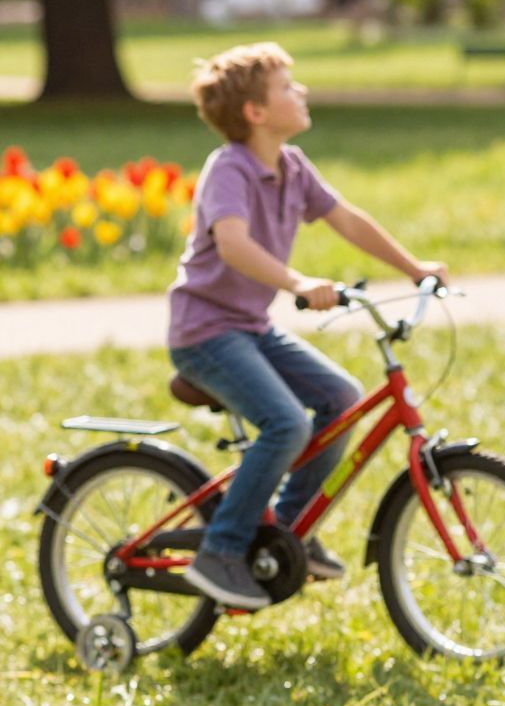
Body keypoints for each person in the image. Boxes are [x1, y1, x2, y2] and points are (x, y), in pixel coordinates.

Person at [168, 43, 444, 612]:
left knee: (341, 399)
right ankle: (220, 552)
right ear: (256, 113)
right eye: (289, 87)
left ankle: (289, 531)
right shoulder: (231, 169)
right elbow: (233, 243)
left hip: (248, 326)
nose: (303, 92)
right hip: (206, 333)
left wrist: (414, 268)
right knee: (286, 423)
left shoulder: (292, 166)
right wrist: (297, 283)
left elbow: (347, 219)